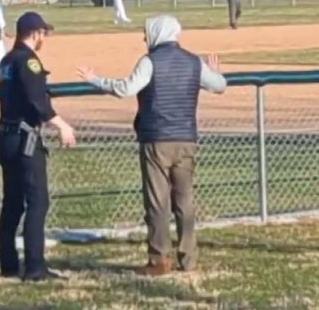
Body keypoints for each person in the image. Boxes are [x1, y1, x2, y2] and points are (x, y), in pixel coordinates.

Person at [77, 15, 227, 276]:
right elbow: (220, 85)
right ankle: (189, 257)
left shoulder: (150, 61)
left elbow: (126, 88)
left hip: (156, 138)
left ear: (157, 34)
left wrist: (96, 79)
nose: (145, 39)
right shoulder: (194, 62)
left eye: (146, 34)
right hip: (186, 139)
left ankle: (159, 259)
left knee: (158, 202)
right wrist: (214, 72)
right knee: (185, 200)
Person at [0, 11, 77, 282]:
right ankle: (34, 267)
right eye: (44, 33)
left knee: (13, 203)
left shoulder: (6, 60)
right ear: (34, 33)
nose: (45, 38)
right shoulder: (28, 61)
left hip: (6, 137)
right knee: (37, 202)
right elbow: (36, 100)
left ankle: (8, 264)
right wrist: (62, 125)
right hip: (25, 139)